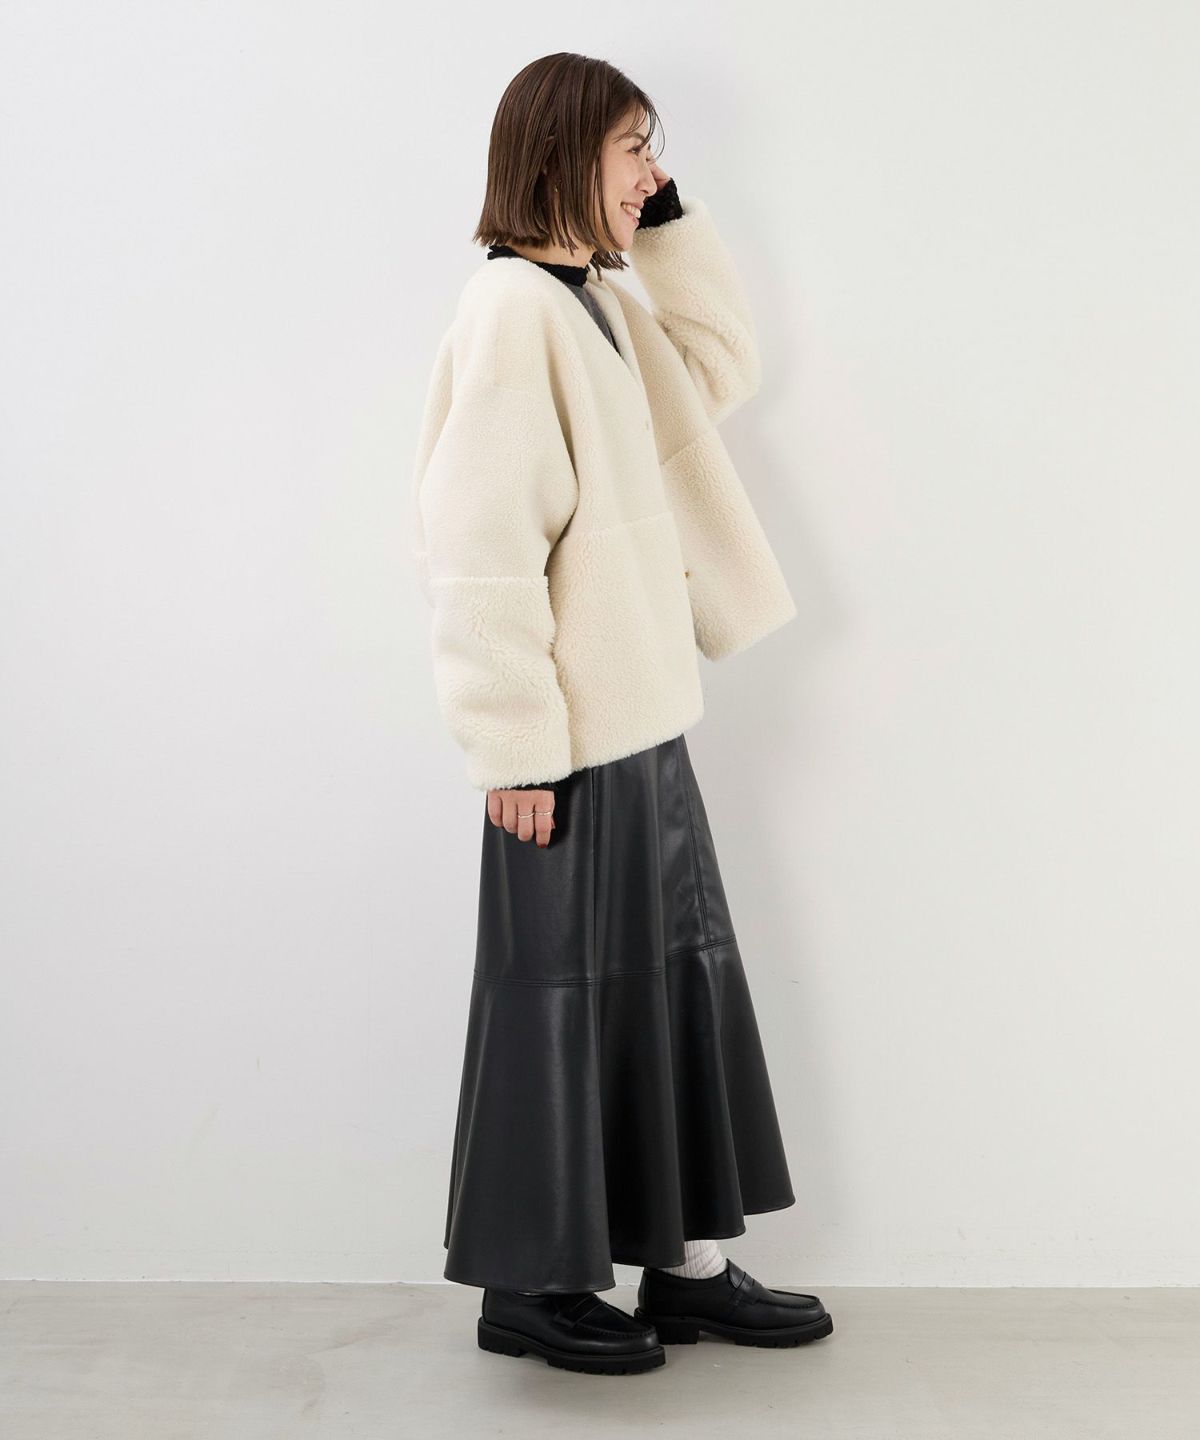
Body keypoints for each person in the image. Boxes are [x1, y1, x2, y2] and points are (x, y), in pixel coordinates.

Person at [411, 52, 834, 1375]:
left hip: (645, 718)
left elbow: (719, 367)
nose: (655, 171)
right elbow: (477, 548)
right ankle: (529, 1289)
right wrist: (511, 747)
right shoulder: (510, 314)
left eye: (656, 148)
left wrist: (665, 226)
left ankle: (684, 1268)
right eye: (635, 150)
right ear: (563, 153)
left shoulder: (594, 299)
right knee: (560, 1005)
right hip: (567, 746)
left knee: (670, 989)